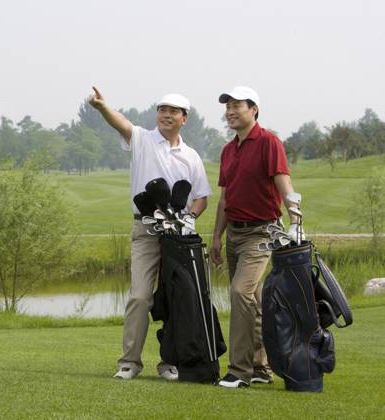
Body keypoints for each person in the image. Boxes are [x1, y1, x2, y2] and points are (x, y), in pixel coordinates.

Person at [88, 86, 212, 380]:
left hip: (178, 235)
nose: (165, 115)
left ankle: (170, 362)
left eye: (172, 112)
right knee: (141, 296)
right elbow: (121, 123)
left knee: (175, 298)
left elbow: (202, 198)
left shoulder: (191, 156)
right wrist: (103, 107)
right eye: (162, 110)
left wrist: (189, 218)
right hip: (145, 228)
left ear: (184, 118)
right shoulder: (142, 138)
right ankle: (129, 362)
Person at [209, 86, 302, 388]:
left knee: (240, 293)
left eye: (237, 106)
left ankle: (239, 371)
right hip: (234, 233)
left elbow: (283, 183)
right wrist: (216, 238)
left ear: (254, 110)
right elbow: (225, 199)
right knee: (253, 302)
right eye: (228, 107)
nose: (231, 111)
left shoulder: (268, 142)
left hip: (261, 233)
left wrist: (296, 216)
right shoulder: (227, 150)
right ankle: (262, 368)